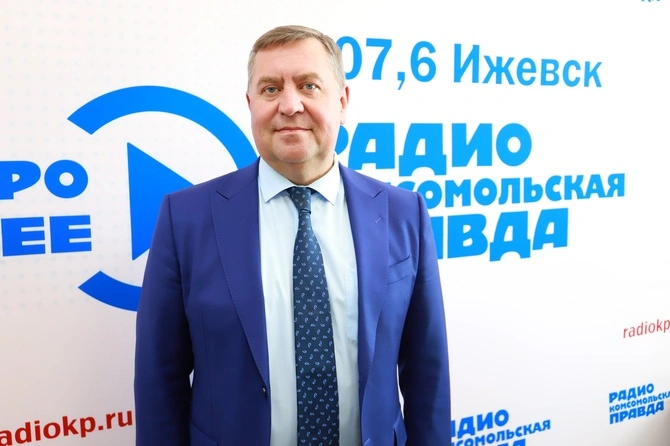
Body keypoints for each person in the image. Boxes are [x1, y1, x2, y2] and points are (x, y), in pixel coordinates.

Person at [134, 24, 450, 445]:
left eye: (308, 85)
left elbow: (427, 369)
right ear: (250, 104)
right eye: (270, 89)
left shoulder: (403, 212)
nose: (289, 104)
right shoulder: (186, 217)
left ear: (342, 101)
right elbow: (160, 377)